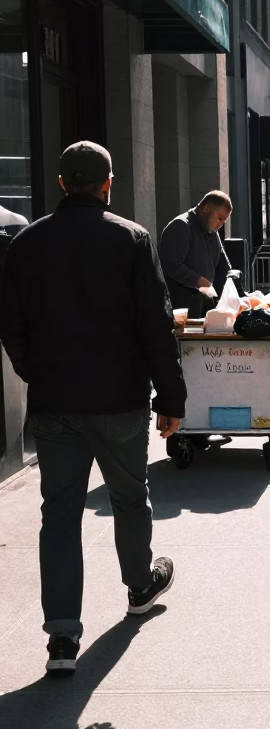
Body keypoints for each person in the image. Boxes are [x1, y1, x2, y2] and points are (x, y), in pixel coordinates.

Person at [0, 142, 186, 675]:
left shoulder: (27, 242)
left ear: (62, 184)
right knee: (130, 499)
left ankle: (62, 638)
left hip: (55, 400)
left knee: (58, 515)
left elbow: (10, 325)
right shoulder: (131, 239)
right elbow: (156, 326)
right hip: (118, 398)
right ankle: (138, 587)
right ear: (108, 184)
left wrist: (37, 371)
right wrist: (170, 397)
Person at [158, 191, 232, 316]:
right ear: (206, 208)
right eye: (220, 218)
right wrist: (199, 281)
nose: (221, 224)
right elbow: (170, 264)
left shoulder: (213, 232)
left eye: (224, 221)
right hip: (182, 309)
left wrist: (238, 294)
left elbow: (223, 267)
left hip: (206, 307)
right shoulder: (181, 226)